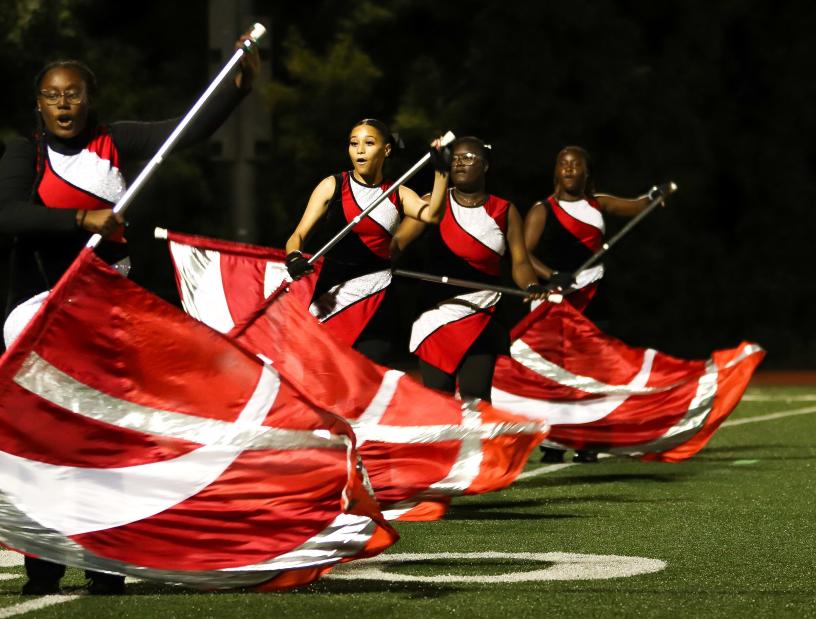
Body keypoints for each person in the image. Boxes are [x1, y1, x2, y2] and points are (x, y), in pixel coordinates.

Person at [0, 36, 260, 595]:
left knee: (101, 437)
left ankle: (105, 560)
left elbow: (187, 130)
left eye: (74, 95)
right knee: (49, 439)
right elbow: (4, 215)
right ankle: (42, 563)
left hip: (106, 308)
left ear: (90, 101)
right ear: (38, 104)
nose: (63, 105)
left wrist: (239, 85)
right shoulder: (25, 152)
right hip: (39, 309)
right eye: (52, 96)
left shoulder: (117, 140)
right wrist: (83, 218)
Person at [523, 145, 668, 463]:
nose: (570, 168)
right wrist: (552, 275)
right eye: (564, 163)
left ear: (587, 172)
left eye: (577, 164)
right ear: (556, 170)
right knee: (557, 374)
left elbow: (636, 206)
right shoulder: (542, 210)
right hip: (557, 298)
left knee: (591, 372)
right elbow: (523, 254)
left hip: (594, 296)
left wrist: (653, 196)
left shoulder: (598, 204)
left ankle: (588, 438)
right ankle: (554, 441)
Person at [283, 119, 450, 363]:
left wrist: (441, 172)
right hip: (330, 300)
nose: (359, 150)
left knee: (368, 382)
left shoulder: (399, 193)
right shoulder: (333, 186)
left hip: (377, 301)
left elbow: (433, 215)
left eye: (369, 143)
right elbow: (296, 236)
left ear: (386, 150)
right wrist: (294, 256)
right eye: (354, 143)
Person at [393, 136, 545, 402]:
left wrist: (531, 286)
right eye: (456, 159)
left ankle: (476, 445)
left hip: (482, 313)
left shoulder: (504, 210)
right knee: (437, 400)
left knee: (476, 398)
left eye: (469, 158)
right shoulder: (433, 202)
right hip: (436, 315)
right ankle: (441, 445)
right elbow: (397, 242)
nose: (460, 163)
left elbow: (520, 262)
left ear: (485, 165)